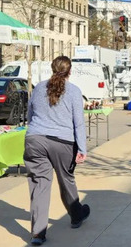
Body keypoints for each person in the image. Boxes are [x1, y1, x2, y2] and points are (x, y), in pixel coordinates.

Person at [23, 56, 90, 245]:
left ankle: (38, 233)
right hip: (63, 141)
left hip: (35, 139)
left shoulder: (38, 88)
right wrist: (82, 148)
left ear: (52, 69)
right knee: (66, 180)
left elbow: (30, 115)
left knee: (39, 184)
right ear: (70, 71)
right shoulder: (74, 91)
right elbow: (78, 123)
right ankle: (76, 215)